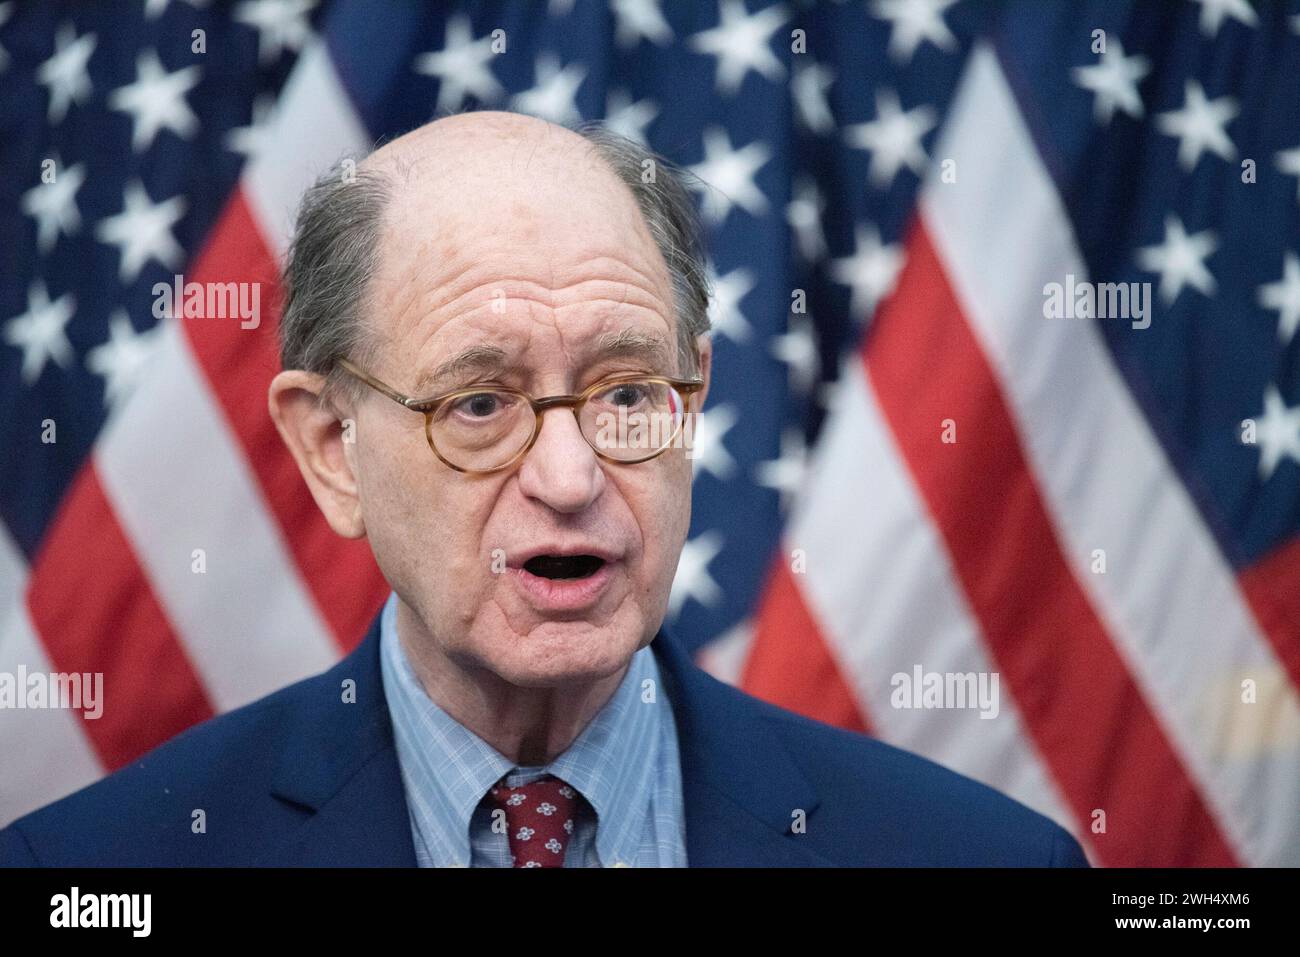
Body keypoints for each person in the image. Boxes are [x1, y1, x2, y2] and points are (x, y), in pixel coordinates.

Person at [0, 111, 1088, 867]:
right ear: (332, 445)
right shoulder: (96, 872)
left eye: (625, 392)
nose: (570, 479)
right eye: (478, 404)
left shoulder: (981, 859)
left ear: (693, 392)